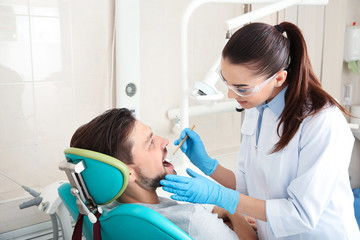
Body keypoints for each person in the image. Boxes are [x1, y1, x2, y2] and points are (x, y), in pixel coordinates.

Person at [160, 21, 360, 239]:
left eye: (242, 88)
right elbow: (250, 183)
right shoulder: (258, 106)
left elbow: (301, 214)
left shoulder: (322, 121)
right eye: (227, 82)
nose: (231, 95)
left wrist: (219, 196)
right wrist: (208, 165)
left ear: (279, 78)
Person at [70, 108, 257, 240]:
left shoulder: (104, 211)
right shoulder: (191, 218)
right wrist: (234, 212)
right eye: (150, 142)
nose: (165, 141)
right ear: (125, 172)